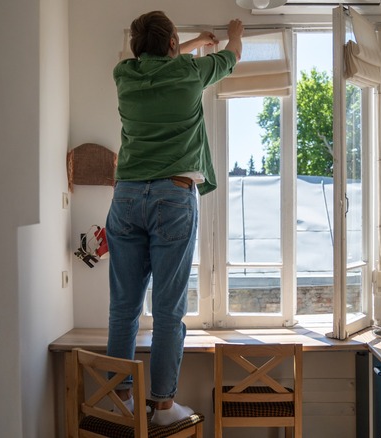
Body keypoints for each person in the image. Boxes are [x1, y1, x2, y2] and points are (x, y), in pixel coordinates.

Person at [106, 11, 243, 425]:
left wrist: (183, 43)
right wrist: (233, 34)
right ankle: (163, 407)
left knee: (123, 309)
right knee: (168, 311)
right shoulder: (191, 73)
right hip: (173, 195)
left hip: (126, 197)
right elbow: (233, 57)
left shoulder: (124, 75)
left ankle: (120, 402)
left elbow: (152, 59)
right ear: (170, 46)